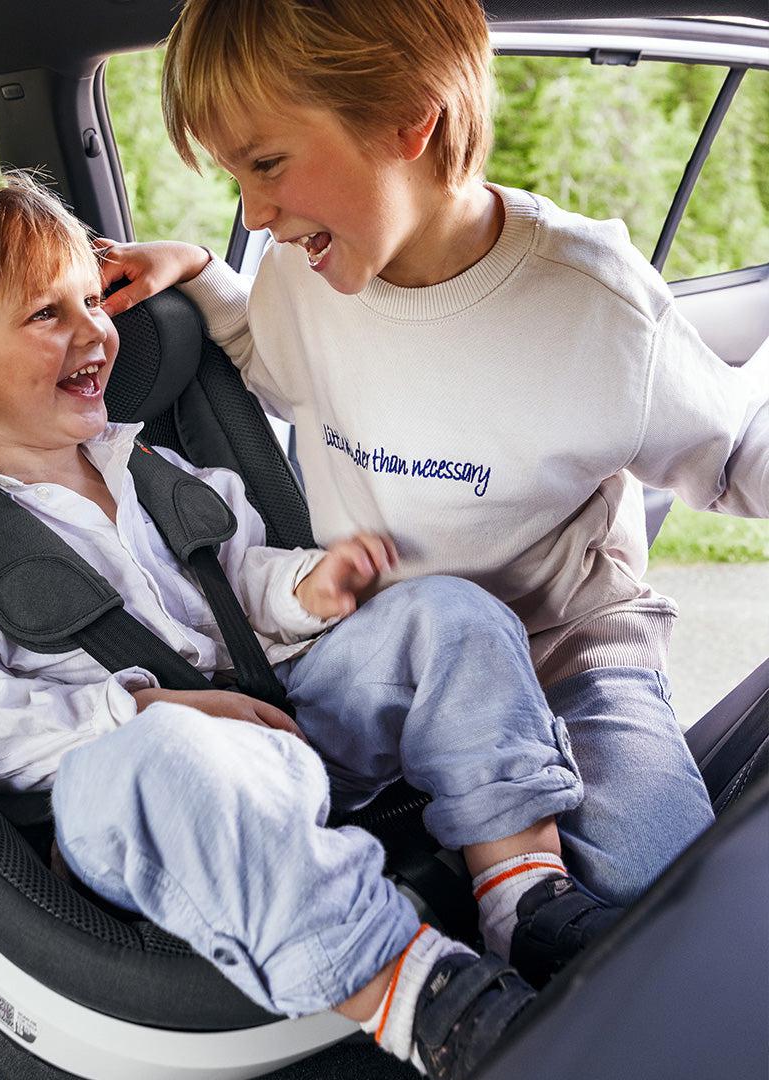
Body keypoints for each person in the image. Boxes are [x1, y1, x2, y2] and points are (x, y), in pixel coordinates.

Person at [0, 175, 608, 1077]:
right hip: (140, 803)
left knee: (448, 613)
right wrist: (153, 707)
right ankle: (422, 994)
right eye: (48, 315)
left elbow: (235, 573)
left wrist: (307, 589)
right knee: (167, 758)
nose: (95, 333)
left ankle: (524, 890)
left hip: (283, 723)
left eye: (95, 299)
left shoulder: (147, 463)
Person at [99, 0, 769, 930]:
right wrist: (208, 279)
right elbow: (272, 358)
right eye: (233, 175)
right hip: (390, 650)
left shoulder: (590, 302)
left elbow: (737, 449)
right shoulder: (301, 281)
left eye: (267, 162)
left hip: (566, 653)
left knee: (664, 920)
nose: (255, 211)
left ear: (409, 115)